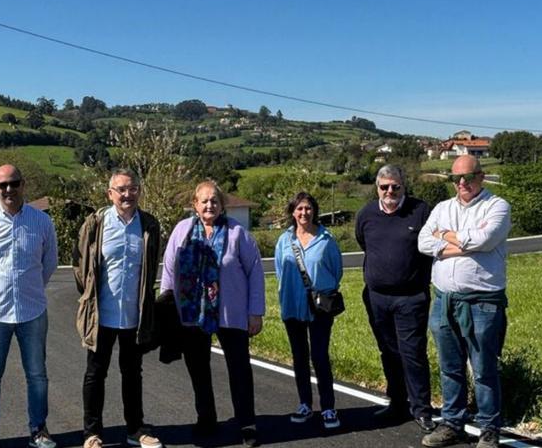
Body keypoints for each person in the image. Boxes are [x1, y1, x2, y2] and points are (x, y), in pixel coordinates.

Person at [161, 180, 264, 448]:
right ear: (195, 204)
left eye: (214, 200)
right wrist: (168, 309)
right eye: (204, 201)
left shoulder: (237, 232)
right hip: (192, 313)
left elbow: (255, 272)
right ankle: (206, 418)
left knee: (239, 369)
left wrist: (255, 312)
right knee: (198, 369)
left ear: (222, 204)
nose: (210, 205)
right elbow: (169, 272)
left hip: (231, 313)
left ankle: (246, 423)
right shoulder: (182, 231)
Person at [418, 155, 511, 448]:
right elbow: (423, 242)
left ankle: (488, 428)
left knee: (483, 368)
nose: (461, 183)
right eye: (456, 178)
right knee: (450, 366)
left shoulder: (497, 206)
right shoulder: (442, 207)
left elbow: (485, 240)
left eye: (468, 177)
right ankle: (452, 423)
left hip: (482, 302)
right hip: (444, 300)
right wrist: (464, 245)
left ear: (481, 177)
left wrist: (443, 237)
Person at [0, 164, 59, 448]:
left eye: (14, 183)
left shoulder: (42, 221)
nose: (9, 189)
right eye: (3, 184)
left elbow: (50, 263)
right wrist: (2, 287)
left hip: (32, 311)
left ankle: (39, 429)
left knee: (37, 375)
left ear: (23, 184)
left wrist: (27, 287)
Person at [72, 168, 163, 448]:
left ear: (139, 191)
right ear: (110, 194)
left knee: (133, 374)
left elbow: (151, 268)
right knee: (95, 374)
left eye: (132, 188)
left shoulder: (149, 224)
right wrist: (88, 297)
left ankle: (135, 429)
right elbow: (80, 267)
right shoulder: (96, 224)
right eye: (121, 189)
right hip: (102, 315)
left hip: (134, 316)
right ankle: (92, 434)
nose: (127, 194)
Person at [354, 165, 435, 432]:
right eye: (384, 186)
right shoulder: (366, 214)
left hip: (411, 298)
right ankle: (397, 404)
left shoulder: (421, 210)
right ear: (377, 187)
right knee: (388, 352)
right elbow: (363, 242)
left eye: (395, 186)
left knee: (413, 354)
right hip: (377, 298)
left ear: (404, 186)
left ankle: (422, 409)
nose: (390, 191)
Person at [274, 192, 343, 430]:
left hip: (320, 308)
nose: (304, 213)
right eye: (300, 209)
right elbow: (280, 271)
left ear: (314, 210)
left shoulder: (326, 239)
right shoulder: (284, 240)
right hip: (292, 306)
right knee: (299, 358)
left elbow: (337, 271)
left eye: (308, 208)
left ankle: (328, 407)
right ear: (293, 212)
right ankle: (305, 403)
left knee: (320, 357)